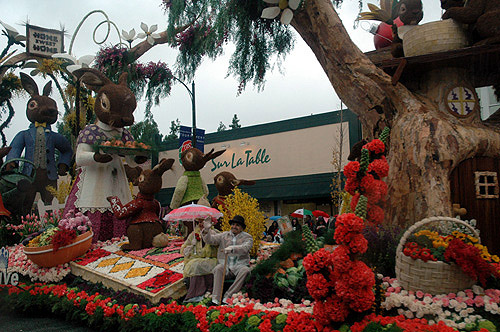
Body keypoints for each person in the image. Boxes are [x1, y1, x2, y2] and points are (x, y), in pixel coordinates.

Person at [202, 215, 253, 305]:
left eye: (237, 225)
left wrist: (233, 248)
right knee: (218, 268)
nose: (234, 227)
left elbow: (246, 247)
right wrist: (206, 230)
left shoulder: (247, 237)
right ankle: (215, 299)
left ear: (242, 228)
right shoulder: (224, 235)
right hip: (226, 265)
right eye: (233, 224)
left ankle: (228, 296)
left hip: (239, 266)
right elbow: (210, 240)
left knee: (246, 270)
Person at [180, 217, 219, 303]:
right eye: (199, 222)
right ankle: (198, 294)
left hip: (213, 260)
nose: (201, 224)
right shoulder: (193, 234)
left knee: (196, 265)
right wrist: (189, 247)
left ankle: (196, 294)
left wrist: (209, 233)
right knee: (194, 264)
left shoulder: (214, 232)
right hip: (198, 260)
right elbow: (183, 249)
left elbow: (219, 242)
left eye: (203, 221)